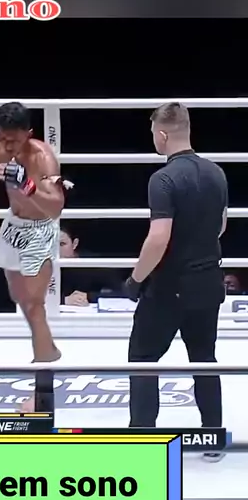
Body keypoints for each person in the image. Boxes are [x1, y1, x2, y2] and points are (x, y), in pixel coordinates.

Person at [123, 102, 228, 460]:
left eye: (154, 133)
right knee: (204, 358)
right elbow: (221, 226)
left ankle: (142, 438)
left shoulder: (163, 179)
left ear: (163, 135)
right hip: (208, 282)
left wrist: (135, 278)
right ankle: (212, 435)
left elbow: (158, 238)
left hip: (171, 286)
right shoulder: (217, 173)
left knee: (142, 357)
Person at [0, 102, 67, 410]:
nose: (8, 146)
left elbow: (56, 207)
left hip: (39, 230)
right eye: (4, 138)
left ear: (28, 134)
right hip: (13, 225)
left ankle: (43, 393)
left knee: (34, 306)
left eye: (14, 140)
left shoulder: (42, 158)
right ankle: (48, 350)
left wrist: (27, 186)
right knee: (20, 299)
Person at [59, 224, 122, 305]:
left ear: (74, 244)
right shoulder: (45, 265)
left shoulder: (93, 263)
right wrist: (63, 300)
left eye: (62, 244)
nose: (56, 249)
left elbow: (121, 292)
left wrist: (89, 296)